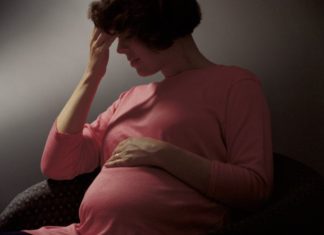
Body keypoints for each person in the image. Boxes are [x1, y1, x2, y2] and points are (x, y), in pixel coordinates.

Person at [2, 0, 273, 234]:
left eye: (127, 36)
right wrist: (91, 75)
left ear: (157, 27)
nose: (119, 49)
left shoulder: (235, 84)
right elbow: (57, 166)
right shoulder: (130, 98)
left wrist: (161, 153)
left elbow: (253, 189)